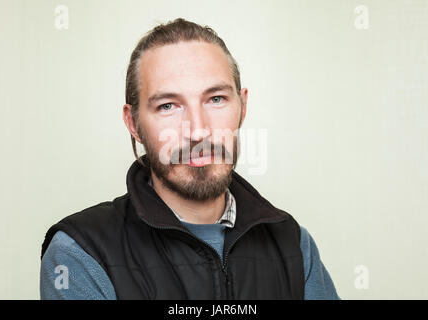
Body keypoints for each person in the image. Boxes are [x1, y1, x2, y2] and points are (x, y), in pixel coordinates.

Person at [40, 18, 340, 300]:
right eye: (168, 105)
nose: (198, 131)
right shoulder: (80, 252)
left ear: (242, 106)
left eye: (216, 99)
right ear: (133, 124)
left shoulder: (294, 245)